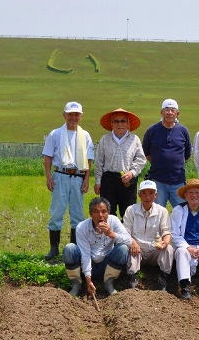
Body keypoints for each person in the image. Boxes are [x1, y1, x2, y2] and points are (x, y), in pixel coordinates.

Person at [42, 101, 94, 261]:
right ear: (64, 115)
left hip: (78, 177)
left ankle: (74, 249)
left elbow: (89, 159)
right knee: (57, 211)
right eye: (70, 114)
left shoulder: (85, 135)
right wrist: (49, 177)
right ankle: (54, 248)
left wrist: (86, 179)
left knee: (77, 214)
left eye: (76, 114)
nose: (73, 117)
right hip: (60, 175)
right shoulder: (55, 134)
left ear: (81, 116)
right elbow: (48, 157)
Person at [63, 197, 132, 297]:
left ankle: (109, 282)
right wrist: (88, 280)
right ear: (90, 214)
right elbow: (85, 255)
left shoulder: (114, 221)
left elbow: (128, 240)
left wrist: (111, 233)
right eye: (96, 212)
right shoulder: (81, 227)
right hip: (87, 264)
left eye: (104, 212)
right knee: (70, 249)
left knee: (123, 249)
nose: (100, 216)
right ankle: (76, 284)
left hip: (106, 265)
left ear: (108, 212)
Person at [94, 108, 147, 217]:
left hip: (128, 180)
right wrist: (98, 181)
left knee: (128, 213)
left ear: (128, 124)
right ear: (112, 124)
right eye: (116, 121)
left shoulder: (134, 139)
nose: (120, 124)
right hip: (108, 180)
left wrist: (132, 172)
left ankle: (126, 234)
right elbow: (99, 162)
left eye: (123, 121)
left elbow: (141, 159)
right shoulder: (105, 139)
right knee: (107, 212)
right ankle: (108, 234)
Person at [122, 180, 174, 291]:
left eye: (151, 193)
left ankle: (164, 279)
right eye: (144, 193)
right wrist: (133, 242)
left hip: (155, 249)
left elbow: (166, 231)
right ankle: (133, 279)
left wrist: (165, 241)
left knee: (168, 249)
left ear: (156, 195)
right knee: (131, 247)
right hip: (138, 249)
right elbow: (125, 232)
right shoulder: (131, 210)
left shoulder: (162, 211)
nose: (147, 197)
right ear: (139, 194)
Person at [142, 98, 192, 208]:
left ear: (177, 113)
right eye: (166, 110)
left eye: (173, 110)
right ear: (161, 112)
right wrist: (159, 162)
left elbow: (187, 153)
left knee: (182, 211)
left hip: (178, 180)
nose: (170, 113)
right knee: (157, 212)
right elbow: (146, 151)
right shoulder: (152, 130)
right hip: (158, 180)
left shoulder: (183, 131)